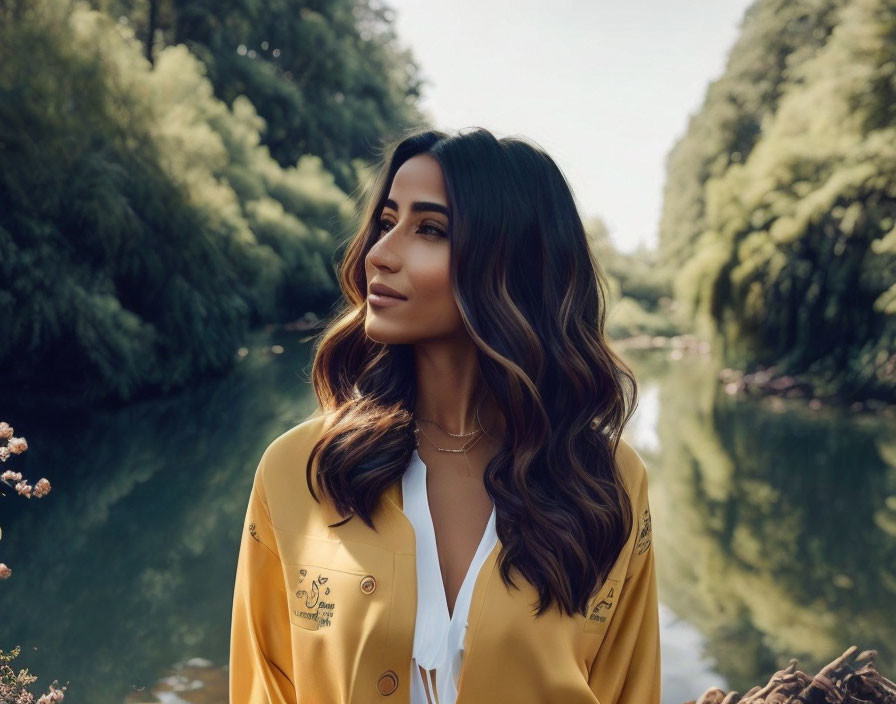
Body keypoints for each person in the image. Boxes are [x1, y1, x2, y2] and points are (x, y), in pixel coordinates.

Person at [229, 126, 661, 703]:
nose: (380, 254)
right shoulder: (297, 470)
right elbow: (264, 686)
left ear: (512, 266)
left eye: (429, 229)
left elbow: (628, 691)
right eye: (387, 223)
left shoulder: (605, 482)